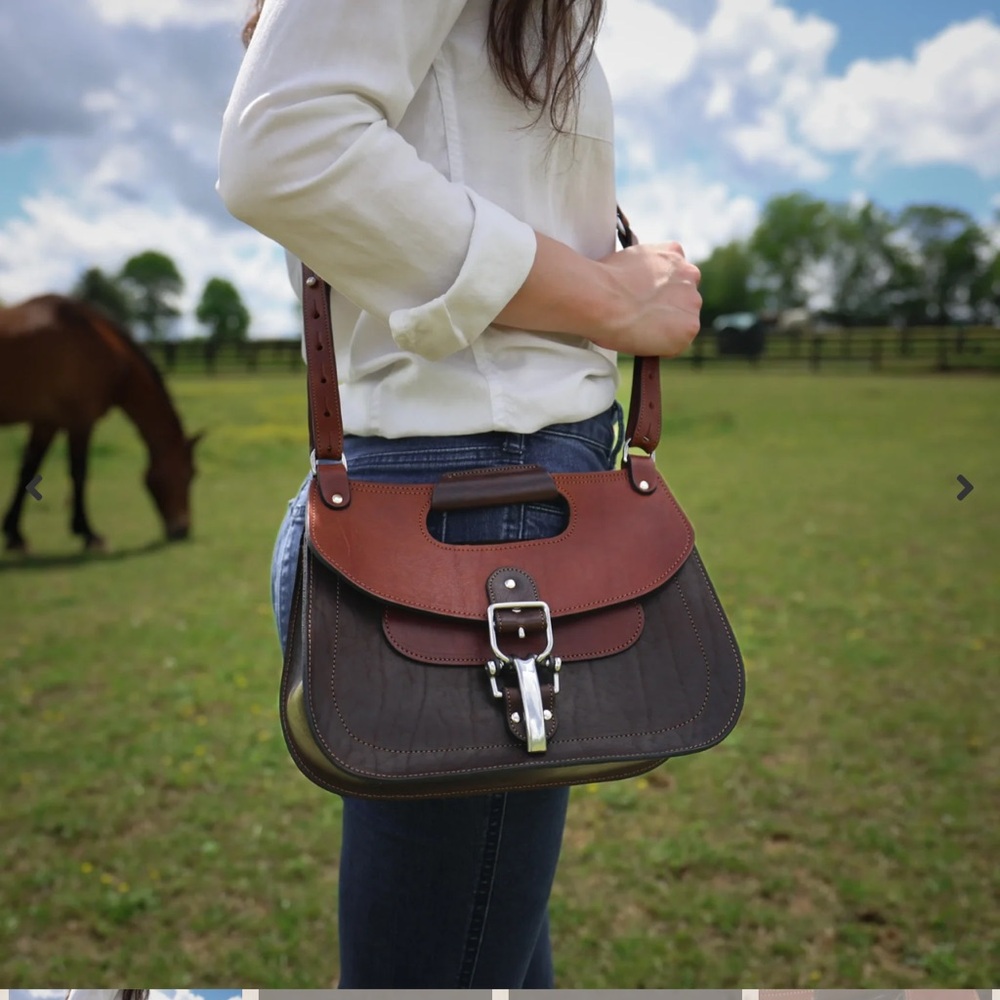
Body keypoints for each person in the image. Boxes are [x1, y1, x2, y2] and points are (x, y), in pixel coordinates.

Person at [218, 0, 702, 988]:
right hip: (479, 534)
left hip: (463, 509)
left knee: (490, 949)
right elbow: (286, 146)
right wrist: (609, 298)